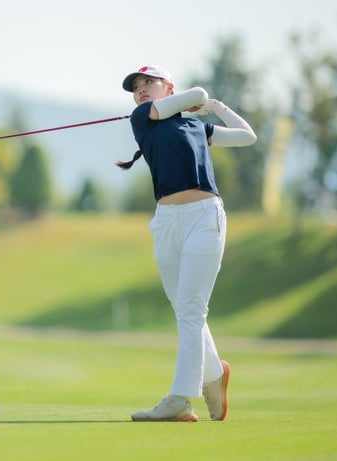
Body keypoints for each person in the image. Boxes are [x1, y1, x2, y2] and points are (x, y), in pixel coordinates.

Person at [117, 65, 257, 422]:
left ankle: (180, 399)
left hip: (204, 217)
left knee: (192, 310)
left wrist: (216, 107)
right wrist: (198, 101)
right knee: (185, 309)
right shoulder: (140, 119)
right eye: (137, 86)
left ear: (168, 86)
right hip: (166, 223)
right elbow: (195, 95)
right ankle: (214, 374)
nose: (142, 89)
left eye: (149, 82)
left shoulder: (198, 127)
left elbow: (247, 136)